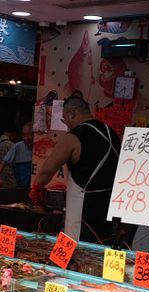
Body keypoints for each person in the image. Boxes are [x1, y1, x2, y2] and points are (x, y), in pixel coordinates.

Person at [30, 96, 125, 245]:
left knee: (79, 251)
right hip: (109, 210)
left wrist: (36, 189)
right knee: (102, 249)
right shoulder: (112, 134)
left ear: (72, 113)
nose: (66, 124)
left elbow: (46, 171)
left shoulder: (73, 137)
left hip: (84, 214)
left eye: (64, 119)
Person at [0, 122, 33, 188]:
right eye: (24, 134)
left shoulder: (41, 147)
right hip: (20, 186)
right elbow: (4, 161)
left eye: (30, 134)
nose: (27, 138)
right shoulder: (17, 146)